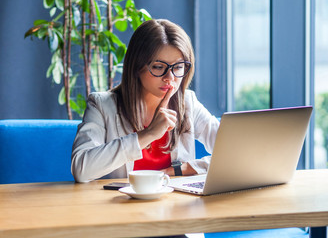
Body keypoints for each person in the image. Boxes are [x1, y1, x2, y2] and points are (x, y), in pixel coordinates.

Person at [71, 19, 219, 183]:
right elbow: (81, 169)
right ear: (136, 66)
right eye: (158, 67)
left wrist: (185, 168)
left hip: (176, 205)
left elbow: (239, 153)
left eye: (178, 67)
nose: (169, 78)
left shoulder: (188, 103)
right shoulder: (102, 105)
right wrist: (148, 135)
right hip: (119, 205)